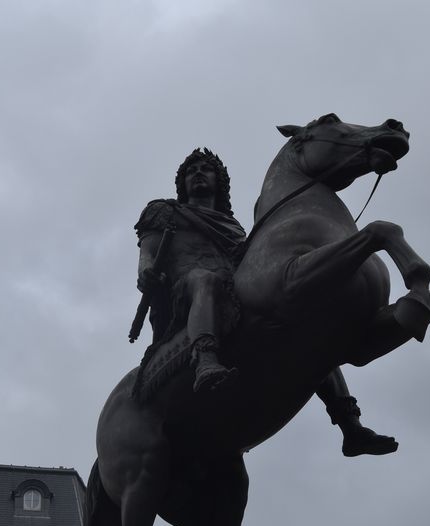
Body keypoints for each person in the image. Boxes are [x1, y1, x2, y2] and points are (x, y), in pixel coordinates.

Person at [135, 148, 397, 455]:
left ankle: (350, 425)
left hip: (232, 290)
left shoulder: (233, 227)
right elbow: (148, 255)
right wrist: (146, 274)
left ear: (219, 182)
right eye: (192, 170)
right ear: (182, 182)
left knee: (303, 326)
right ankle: (205, 358)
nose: (198, 173)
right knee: (206, 279)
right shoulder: (164, 212)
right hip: (188, 290)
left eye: (206, 169)